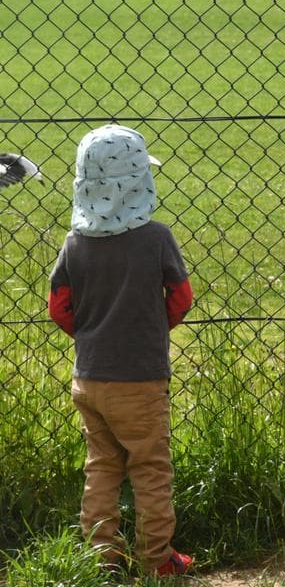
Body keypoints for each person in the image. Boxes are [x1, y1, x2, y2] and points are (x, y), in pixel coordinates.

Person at [48, 125, 195, 577]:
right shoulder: (156, 238)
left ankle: (102, 558)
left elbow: (59, 307)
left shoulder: (74, 244)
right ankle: (156, 559)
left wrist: (93, 335)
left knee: (102, 467)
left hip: (89, 377)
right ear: (139, 184)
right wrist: (149, 329)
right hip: (140, 380)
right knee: (150, 468)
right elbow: (181, 297)